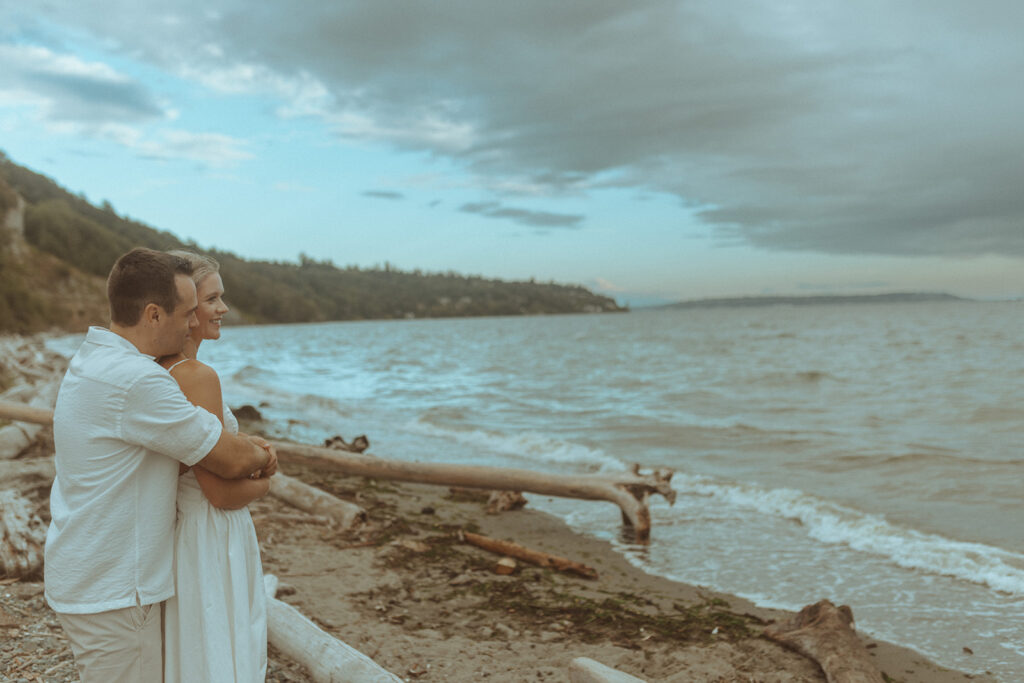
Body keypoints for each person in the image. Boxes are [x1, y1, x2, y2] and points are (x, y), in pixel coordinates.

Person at [44, 247, 276, 683]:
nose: (193, 322)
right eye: (188, 311)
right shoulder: (136, 381)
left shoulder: (98, 359)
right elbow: (225, 461)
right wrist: (265, 458)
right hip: (112, 588)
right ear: (153, 315)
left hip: (91, 573)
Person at [158, 250, 270, 682]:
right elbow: (220, 492)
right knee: (220, 649)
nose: (223, 309)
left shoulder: (161, 369)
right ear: (186, 309)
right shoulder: (196, 376)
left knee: (198, 649)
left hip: (184, 533)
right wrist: (267, 482)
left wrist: (241, 451)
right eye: (213, 299)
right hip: (210, 534)